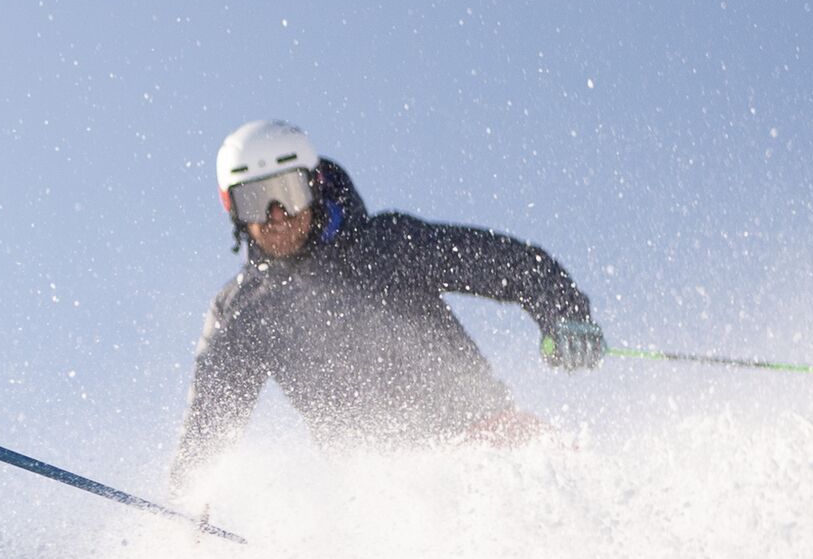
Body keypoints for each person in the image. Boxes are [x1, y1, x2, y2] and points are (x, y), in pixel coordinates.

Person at [169, 117, 608, 496]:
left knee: (542, 477)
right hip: (383, 491)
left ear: (314, 186)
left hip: (482, 433)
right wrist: (188, 504)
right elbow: (210, 423)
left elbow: (511, 265)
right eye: (256, 201)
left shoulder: (388, 246)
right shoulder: (245, 311)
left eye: (288, 192)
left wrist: (565, 315)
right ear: (234, 211)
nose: (277, 214)